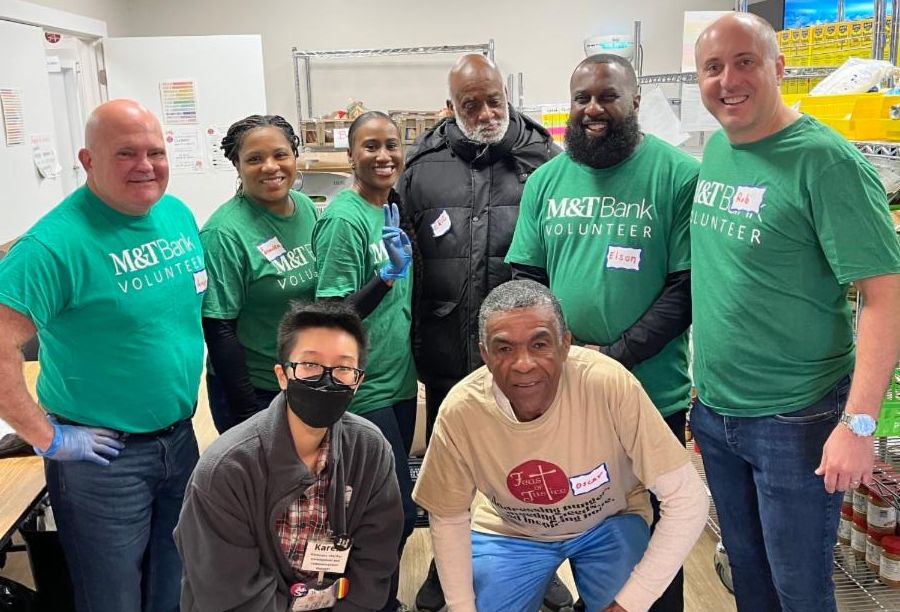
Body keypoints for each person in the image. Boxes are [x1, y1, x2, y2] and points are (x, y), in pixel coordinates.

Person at [691, 13, 900, 612]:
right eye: (713, 67)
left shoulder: (825, 162)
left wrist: (859, 425)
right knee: (749, 581)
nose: (728, 80)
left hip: (796, 421)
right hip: (717, 413)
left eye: (745, 62)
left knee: (800, 591)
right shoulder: (719, 150)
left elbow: (885, 295)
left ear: (779, 69)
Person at [506, 54, 699, 612]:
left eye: (607, 96)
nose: (592, 109)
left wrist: (611, 357)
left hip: (650, 395)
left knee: (660, 540)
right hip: (561, 396)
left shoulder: (677, 175)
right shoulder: (545, 180)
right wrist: (552, 359)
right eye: (581, 98)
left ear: (635, 101)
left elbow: (684, 290)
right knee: (576, 527)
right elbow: (527, 279)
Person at [0, 99, 205, 611]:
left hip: (180, 440)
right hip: (103, 458)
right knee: (111, 596)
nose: (146, 165)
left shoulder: (176, 214)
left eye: (155, 152)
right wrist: (47, 438)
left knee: (175, 580)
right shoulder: (53, 246)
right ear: (88, 160)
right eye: (126, 153)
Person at [412, 280, 709, 611]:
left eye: (540, 344)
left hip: (610, 520)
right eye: (504, 348)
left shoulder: (608, 384)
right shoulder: (462, 410)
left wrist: (630, 603)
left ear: (565, 344)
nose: (523, 363)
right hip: (510, 531)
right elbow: (448, 514)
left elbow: (688, 500)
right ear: (485, 354)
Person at [396, 52, 564, 611]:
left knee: (528, 459)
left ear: (506, 92)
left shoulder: (542, 159)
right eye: (472, 103)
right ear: (452, 106)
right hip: (446, 342)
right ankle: (449, 571)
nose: (486, 111)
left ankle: (537, 567)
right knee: (454, 465)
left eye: (494, 98)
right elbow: (409, 260)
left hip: (523, 352)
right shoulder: (422, 167)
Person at [175, 300, 403, 611]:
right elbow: (227, 592)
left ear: (358, 381)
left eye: (343, 368)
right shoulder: (226, 470)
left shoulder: (370, 451)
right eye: (310, 365)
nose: (327, 379)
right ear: (282, 376)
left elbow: (374, 565)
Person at [312, 111, 416, 612]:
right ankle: (367, 603)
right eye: (370, 146)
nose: (383, 156)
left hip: (398, 383)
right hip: (362, 391)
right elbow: (333, 316)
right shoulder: (343, 219)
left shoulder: (389, 209)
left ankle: (379, 600)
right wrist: (387, 277)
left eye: (392, 145)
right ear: (350, 156)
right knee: (387, 512)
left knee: (387, 510)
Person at [200, 114, 319, 433]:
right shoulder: (224, 233)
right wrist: (247, 411)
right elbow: (218, 328)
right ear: (237, 165)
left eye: (280, 154)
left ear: (295, 155)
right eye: (254, 158)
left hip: (303, 379)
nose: (270, 166)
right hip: (254, 389)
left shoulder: (305, 207)